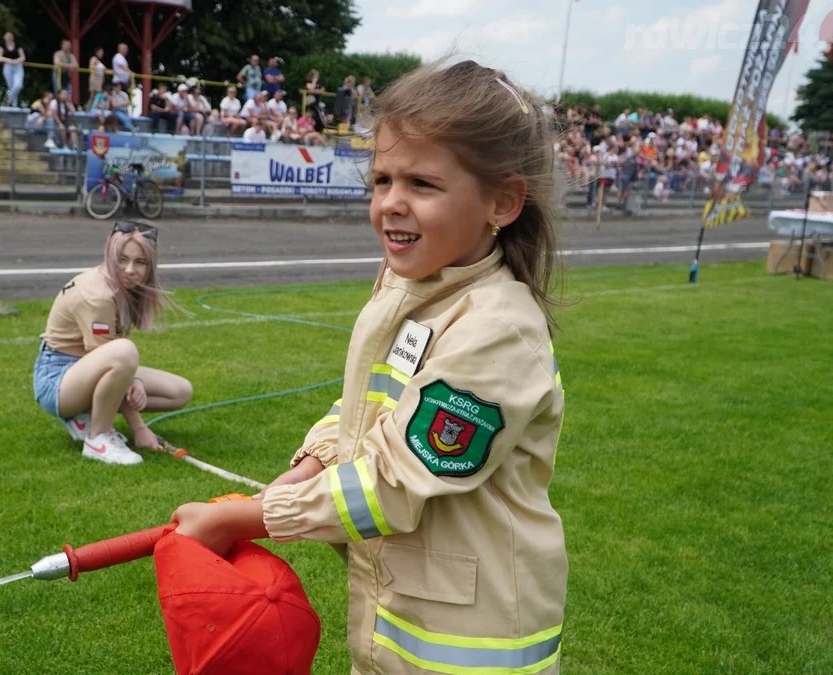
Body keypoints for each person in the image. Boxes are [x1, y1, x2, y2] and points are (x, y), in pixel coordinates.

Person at [170, 61, 567, 675]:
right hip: (397, 618)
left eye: (422, 184)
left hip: (472, 646)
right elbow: (365, 405)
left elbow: (394, 481)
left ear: (503, 201)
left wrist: (249, 517)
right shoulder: (405, 286)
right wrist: (308, 466)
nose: (390, 204)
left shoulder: (497, 330)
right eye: (381, 179)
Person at [34, 221, 193, 465]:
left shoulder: (121, 287)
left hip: (84, 368)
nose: (130, 270)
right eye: (122, 259)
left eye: (140, 262)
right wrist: (139, 428)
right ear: (110, 256)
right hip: (57, 381)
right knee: (124, 352)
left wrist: (133, 380)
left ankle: (85, 414)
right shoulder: (97, 295)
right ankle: (98, 438)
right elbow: (113, 358)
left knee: (180, 392)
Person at [0, 32, 25, 108]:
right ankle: (14, 105)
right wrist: (9, 60)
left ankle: (8, 99)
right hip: (7, 67)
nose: (8, 37)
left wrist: (15, 61)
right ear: (4, 38)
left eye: (10, 36)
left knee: (18, 85)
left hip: (18, 66)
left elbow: (23, 57)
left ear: (13, 37)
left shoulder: (17, 45)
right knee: (11, 87)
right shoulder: (2, 46)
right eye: (7, 36)